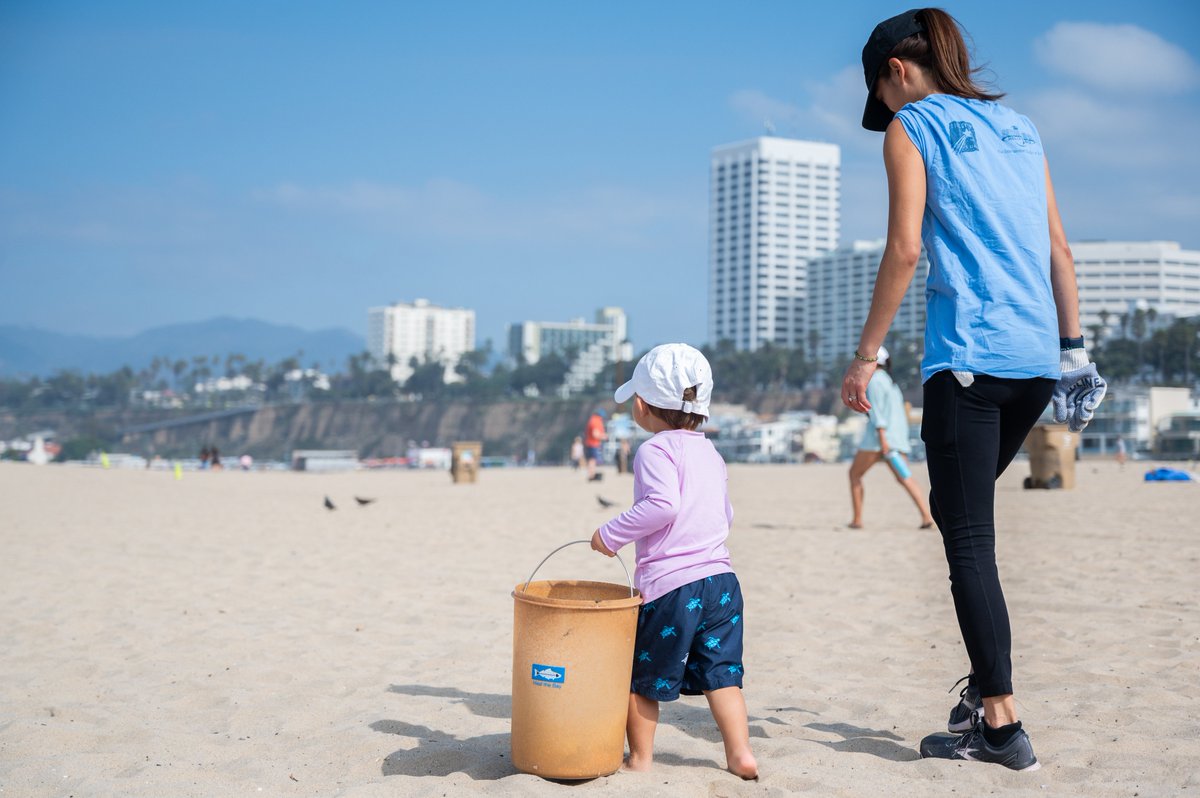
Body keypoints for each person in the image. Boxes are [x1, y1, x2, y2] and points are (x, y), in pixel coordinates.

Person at [842, 8, 1107, 771]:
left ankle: (999, 721)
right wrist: (1074, 351)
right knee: (964, 519)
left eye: (881, 96)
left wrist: (866, 358)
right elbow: (1058, 247)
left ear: (896, 70)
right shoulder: (1020, 128)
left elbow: (903, 248)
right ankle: (978, 698)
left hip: (967, 363)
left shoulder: (912, 126)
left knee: (968, 544)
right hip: (1034, 364)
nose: (885, 113)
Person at [590, 343, 757, 779]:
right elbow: (727, 514)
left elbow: (662, 505)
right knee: (723, 675)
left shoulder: (654, 451)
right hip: (722, 582)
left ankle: (641, 758)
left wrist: (610, 536)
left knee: (640, 678)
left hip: (673, 588)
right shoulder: (711, 453)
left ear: (642, 406)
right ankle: (740, 754)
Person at [848, 345, 935, 530]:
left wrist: (882, 439)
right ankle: (926, 516)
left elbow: (877, 413)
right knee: (905, 477)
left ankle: (857, 519)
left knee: (855, 474)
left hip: (877, 440)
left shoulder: (874, 381)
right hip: (894, 439)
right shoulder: (889, 381)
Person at [584, 409, 608, 482]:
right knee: (592, 460)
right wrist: (605, 436)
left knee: (591, 460)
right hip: (593, 444)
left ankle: (592, 474)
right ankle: (592, 475)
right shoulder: (596, 421)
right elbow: (595, 434)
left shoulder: (592, 420)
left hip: (589, 443)